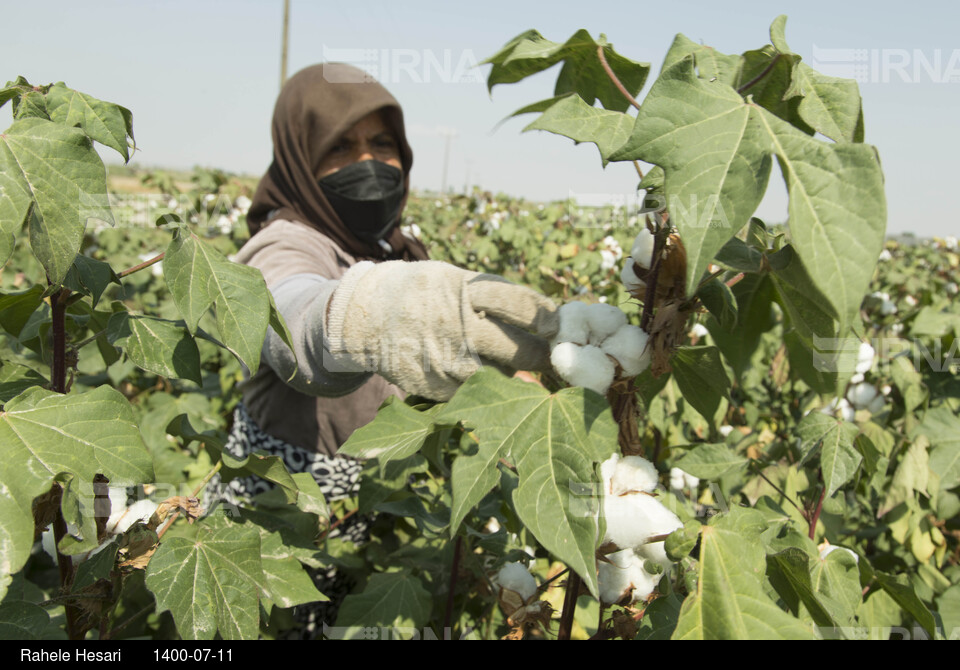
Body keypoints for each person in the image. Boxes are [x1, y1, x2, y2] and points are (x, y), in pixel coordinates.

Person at [214, 63, 559, 634]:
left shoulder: (393, 250)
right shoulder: (283, 241)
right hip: (282, 522)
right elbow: (291, 321)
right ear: (300, 155)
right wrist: (371, 312)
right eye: (340, 146)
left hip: (376, 510)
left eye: (381, 143)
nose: (367, 162)